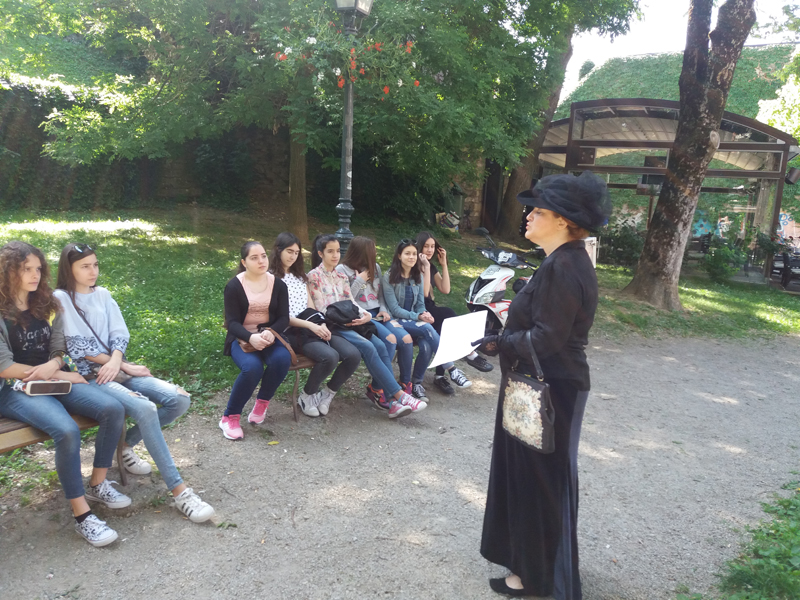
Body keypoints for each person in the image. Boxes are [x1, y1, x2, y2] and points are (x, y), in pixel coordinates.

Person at [475, 171, 611, 599]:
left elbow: (547, 339)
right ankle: (528, 567)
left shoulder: (564, 265)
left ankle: (540, 578)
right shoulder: (560, 261)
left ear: (563, 220)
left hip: (550, 389)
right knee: (531, 478)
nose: (529, 216)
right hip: (540, 385)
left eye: (538, 211)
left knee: (541, 482)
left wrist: (501, 341)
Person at [54, 243, 214, 523]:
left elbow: (119, 332)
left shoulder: (103, 294)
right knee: (146, 408)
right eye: (85, 266)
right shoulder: (61, 298)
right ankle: (180, 492)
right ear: (69, 269)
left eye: (95, 264)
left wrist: (118, 361)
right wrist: (121, 365)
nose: (93, 271)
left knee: (179, 399)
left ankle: (126, 446)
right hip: (91, 377)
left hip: (116, 369)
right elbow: (78, 347)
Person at [0, 241, 129, 547]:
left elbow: (58, 346)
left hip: (53, 379)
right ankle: (82, 517)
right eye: (26, 269)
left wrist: (55, 365)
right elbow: (5, 367)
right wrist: (57, 373)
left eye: (38, 268)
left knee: (112, 409)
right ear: (7, 272)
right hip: (15, 389)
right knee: (67, 430)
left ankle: (97, 484)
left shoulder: (45, 303)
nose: (35, 275)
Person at [307, 234, 423, 418]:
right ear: (321, 253)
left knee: (381, 346)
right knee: (369, 346)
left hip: (352, 322)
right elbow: (322, 309)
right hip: (333, 325)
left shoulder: (340, 276)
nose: (335, 255)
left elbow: (351, 301)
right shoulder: (314, 276)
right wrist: (349, 318)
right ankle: (400, 396)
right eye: (330, 251)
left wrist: (365, 315)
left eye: (337, 251)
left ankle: (389, 399)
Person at [269, 232, 360, 417]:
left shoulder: (300, 277)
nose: (293, 256)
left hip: (312, 325)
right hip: (291, 331)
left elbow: (310, 307)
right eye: (289, 251)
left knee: (353, 355)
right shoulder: (271, 279)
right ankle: (307, 395)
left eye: (296, 252)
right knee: (330, 356)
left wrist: (320, 324)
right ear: (278, 251)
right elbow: (281, 317)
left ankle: (327, 394)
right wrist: (311, 326)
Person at [383, 239, 471, 398]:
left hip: (413, 320)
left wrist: (424, 313)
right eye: (407, 254)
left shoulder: (417, 276)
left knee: (426, 344)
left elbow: (420, 304)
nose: (411, 257)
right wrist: (418, 316)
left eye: (414, 254)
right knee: (426, 328)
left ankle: (416, 383)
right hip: (395, 321)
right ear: (399, 256)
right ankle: (451, 368)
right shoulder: (389, 277)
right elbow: (394, 310)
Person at [221, 241, 292, 439]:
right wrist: (250, 337)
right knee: (252, 368)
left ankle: (262, 403)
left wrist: (272, 331)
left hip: (269, 336)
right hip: (241, 338)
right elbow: (232, 323)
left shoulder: (278, 284)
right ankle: (230, 417)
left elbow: (283, 318)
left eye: (263, 256)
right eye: (254, 258)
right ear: (244, 262)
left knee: (282, 359)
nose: (261, 261)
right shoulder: (234, 286)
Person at [337, 237, 421, 399]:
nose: (375, 252)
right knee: (390, 339)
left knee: (405, 339)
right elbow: (346, 301)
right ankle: (379, 389)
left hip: (378, 313)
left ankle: (400, 384)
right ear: (362, 252)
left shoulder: (375, 267)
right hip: (361, 314)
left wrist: (383, 309)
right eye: (373, 249)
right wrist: (359, 280)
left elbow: (379, 294)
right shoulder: (342, 270)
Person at [416, 231, 494, 389]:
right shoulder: (415, 266)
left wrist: (444, 264)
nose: (430, 250)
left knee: (444, 327)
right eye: (426, 246)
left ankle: (441, 376)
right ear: (419, 247)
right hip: (419, 308)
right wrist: (425, 266)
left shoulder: (430, 266)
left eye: (432, 246)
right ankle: (468, 354)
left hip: (429, 308)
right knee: (448, 315)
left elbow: (445, 289)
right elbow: (423, 293)